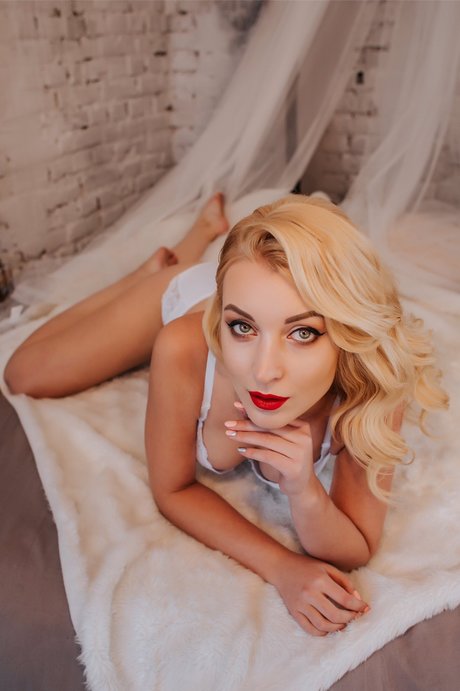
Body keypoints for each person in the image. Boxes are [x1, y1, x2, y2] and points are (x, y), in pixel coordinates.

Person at [4, 193, 448, 637]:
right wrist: (281, 565)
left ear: (346, 331)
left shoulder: (371, 385)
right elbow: (172, 489)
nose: (263, 370)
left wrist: (305, 491)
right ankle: (151, 273)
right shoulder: (184, 348)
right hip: (186, 294)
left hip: (246, 303)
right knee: (24, 375)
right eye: (242, 328)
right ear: (223, 320)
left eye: (302, 333)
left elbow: (357, 546)